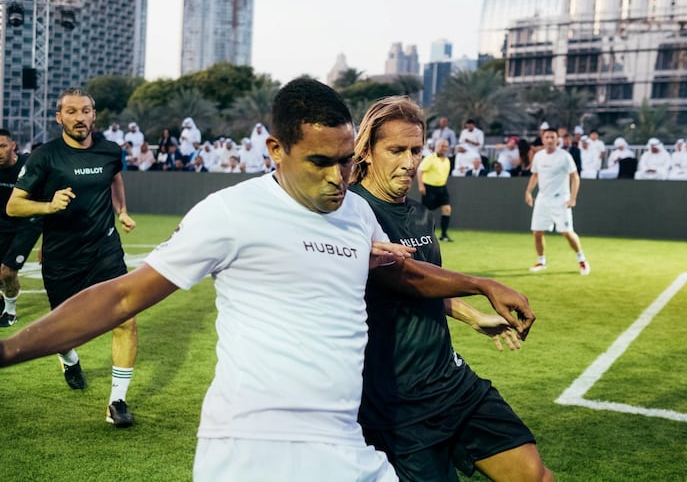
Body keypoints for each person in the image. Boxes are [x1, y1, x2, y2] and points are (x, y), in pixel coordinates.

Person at [0, 78, 534, 480]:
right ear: (276, 150)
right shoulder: (231, 212)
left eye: (347, 161)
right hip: (252, 447)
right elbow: (120, 296)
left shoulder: (355, 212)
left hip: (347, 444)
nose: (337, 177)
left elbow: (400, 273)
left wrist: (479, 284)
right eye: (320, 162)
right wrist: (6, 351)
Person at [350, 95, 553, 481]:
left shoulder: (416, 215)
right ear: (368, 151)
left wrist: (472, 316)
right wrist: (482, 285)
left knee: (535, 476)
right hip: (398, 403)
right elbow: (403, 276)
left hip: (450, 379)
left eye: (416, 150)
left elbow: (424, 289)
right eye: (396, 150)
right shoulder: (354, 213)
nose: (410, 162)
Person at [6, 87, 138, 427]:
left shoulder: (110, 151)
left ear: (94, 115)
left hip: (105, 251)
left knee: (125, 318)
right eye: (72, 112)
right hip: (62, 256)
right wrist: (49, 205)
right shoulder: (45, 157)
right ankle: (69, 359)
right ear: (59, 117)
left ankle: (117, 402)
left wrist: (121, 211)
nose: (80, 118)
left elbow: (116, 180)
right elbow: (14, 204)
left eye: (85, 111)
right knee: (64, 332)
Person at [524, 127, 590, 275]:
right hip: (542, 199)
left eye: (552, 137)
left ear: (557, 140)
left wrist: (572, 198)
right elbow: (535, 175)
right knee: (537, 232)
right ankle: (541, 261)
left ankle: (582, 260)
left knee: (567, 232)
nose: (549, 140)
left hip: (561, 200)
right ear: (543, 139)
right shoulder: (539, 156)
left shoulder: (565, 156)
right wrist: (528, 192)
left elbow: (575, 177)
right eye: (547, 137)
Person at [0, 129, 42, 327]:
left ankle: (10, 312)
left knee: (8, 272)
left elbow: (44, 198)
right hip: (3, 224)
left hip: (27, 224)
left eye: (3, 146)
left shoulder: (28, 166)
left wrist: (47, 241)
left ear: (13, 146)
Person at [418, 139, 454, 242]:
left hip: (442, 188)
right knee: (427, 213)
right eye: (442, 146)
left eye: (446, 146)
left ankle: (444, 235)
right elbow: (420, 171)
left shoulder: (447, 160)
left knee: (447, 209)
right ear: (436, 146)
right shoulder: (430, 158)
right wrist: (421, 185)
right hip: (429, 188)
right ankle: (425, 235)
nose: (444, 148)